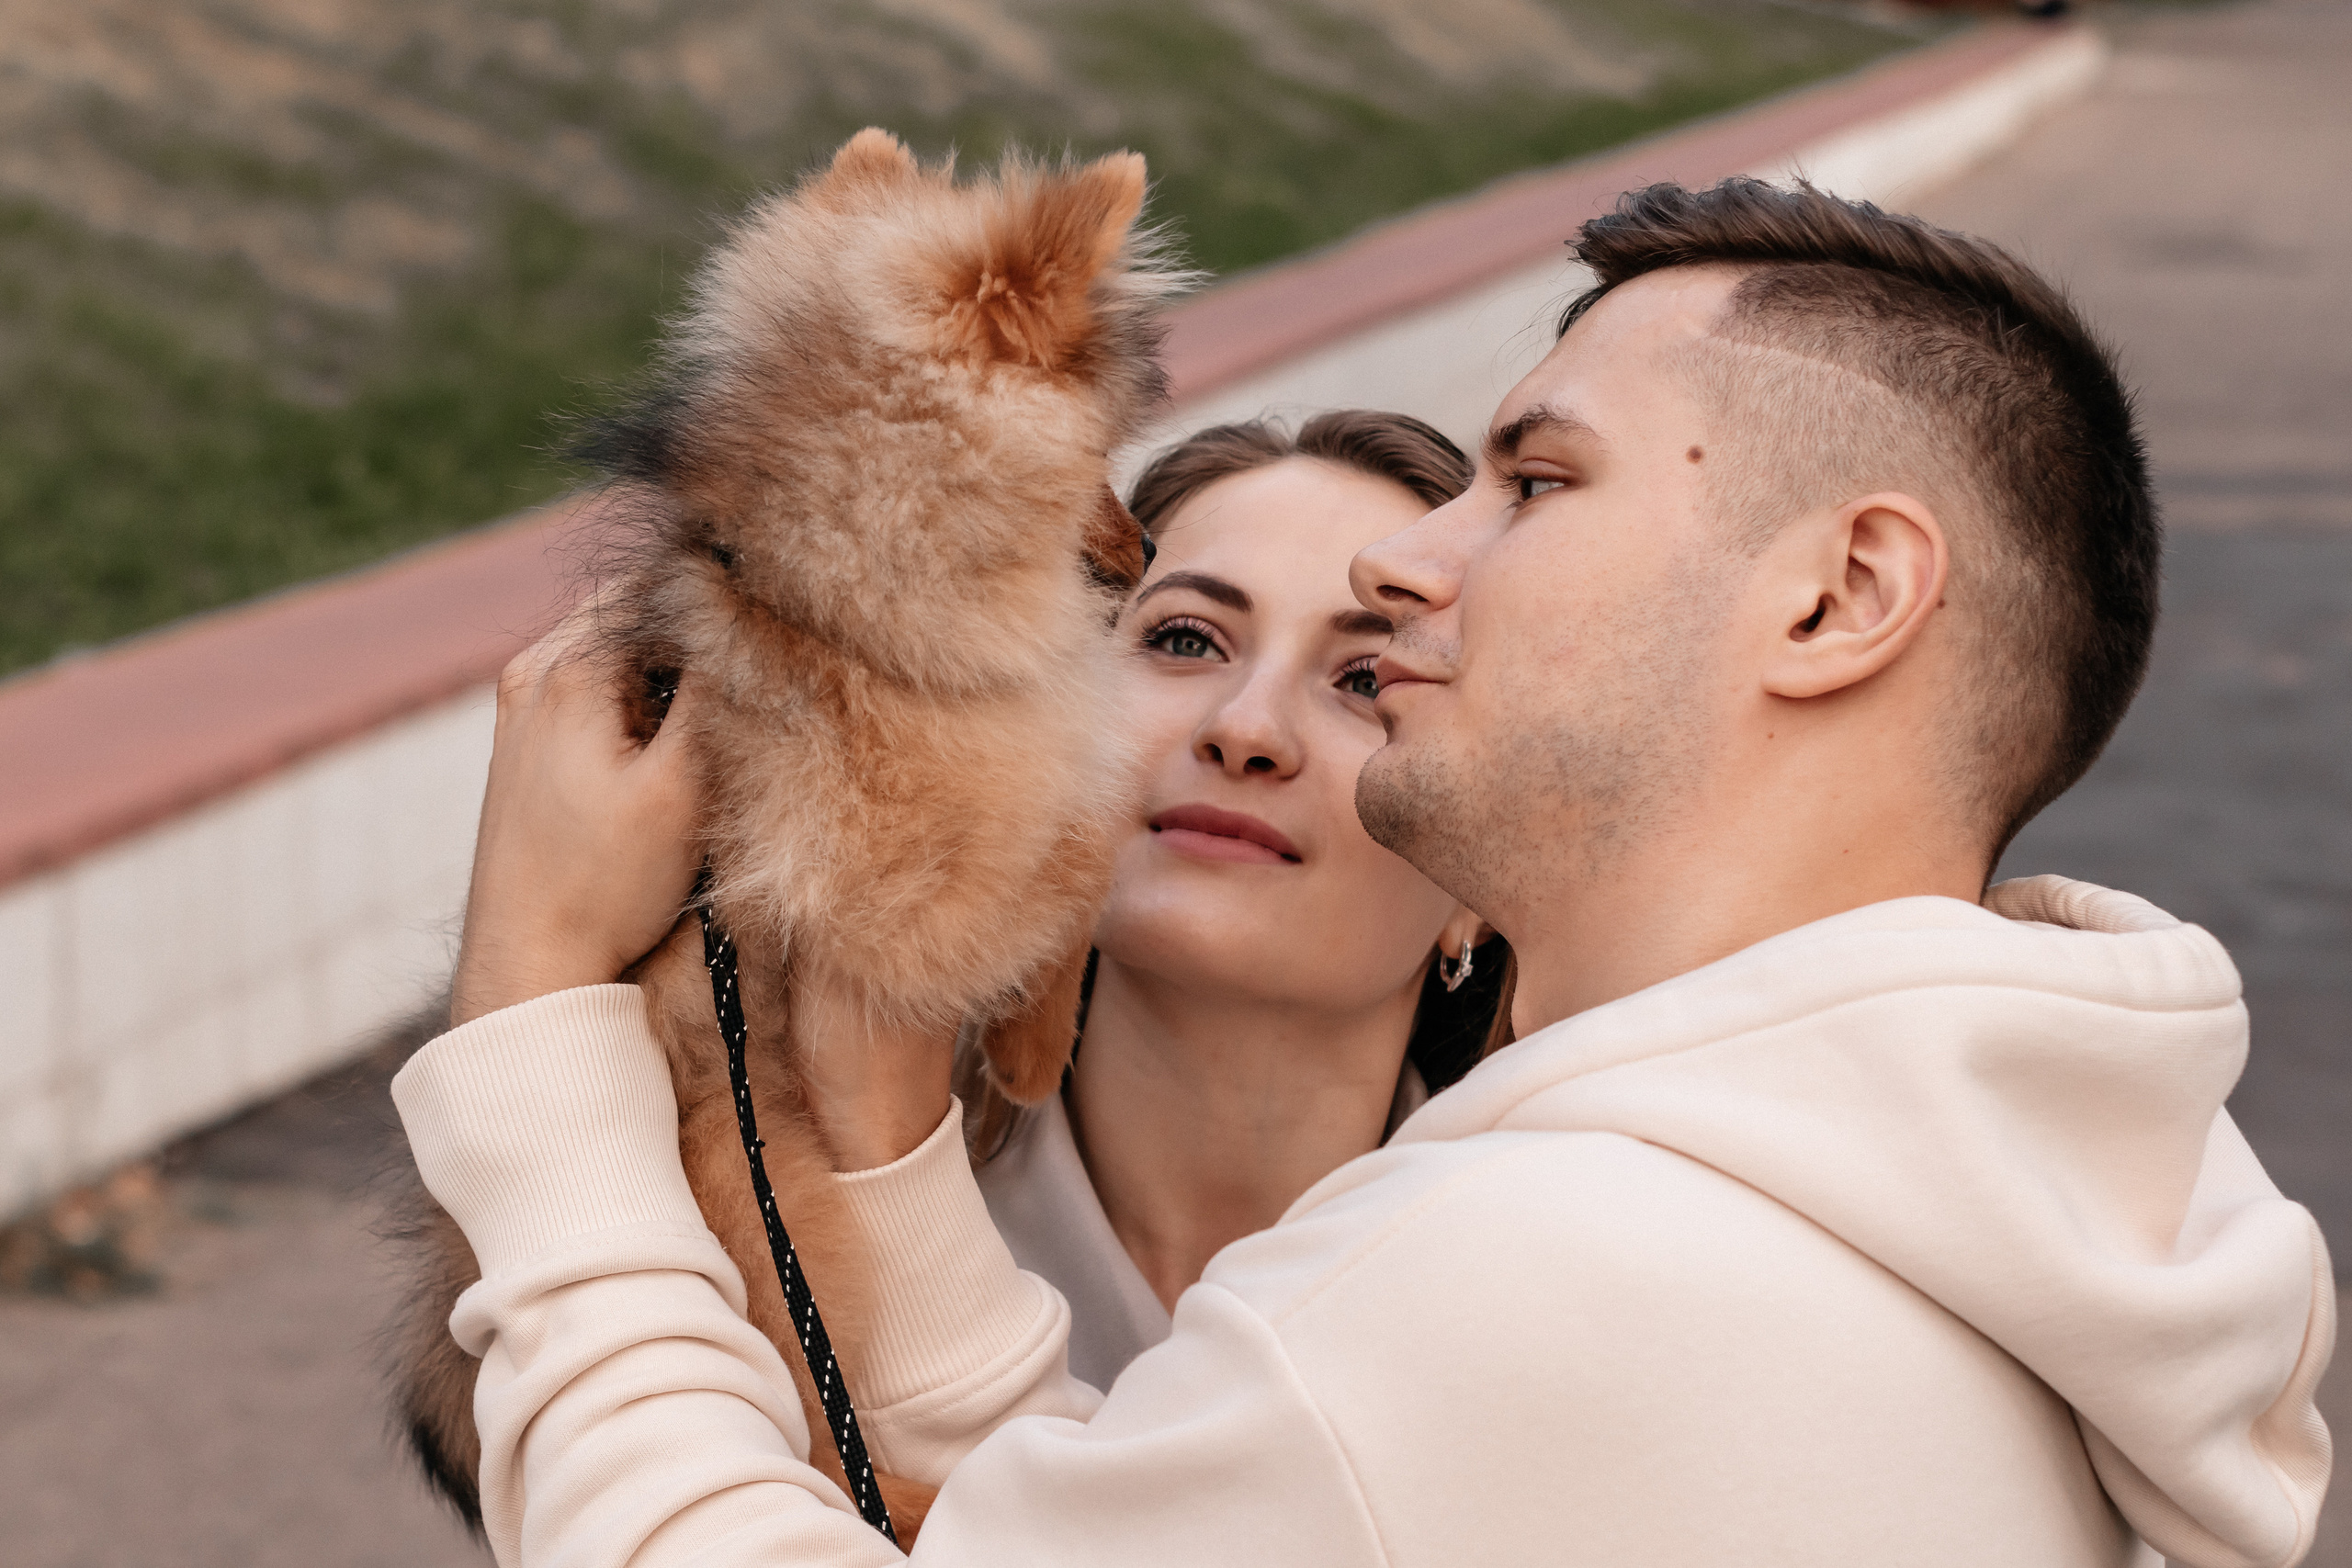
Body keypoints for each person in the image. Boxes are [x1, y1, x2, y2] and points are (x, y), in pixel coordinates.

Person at [392, 180, 2335, 1567]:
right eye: (1177, 633)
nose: (1415, 565)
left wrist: (538, 1012)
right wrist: (892, 1186)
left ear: (1837, 595)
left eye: (1536, 478)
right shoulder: (2031, 1201)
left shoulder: (1536, 1271)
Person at [965, 411, 1510, 1386]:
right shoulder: (801, 1201)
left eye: (1365, 678)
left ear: (1484, 886)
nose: (1246, 727)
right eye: (1185, 639)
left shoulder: (1540, 1311)